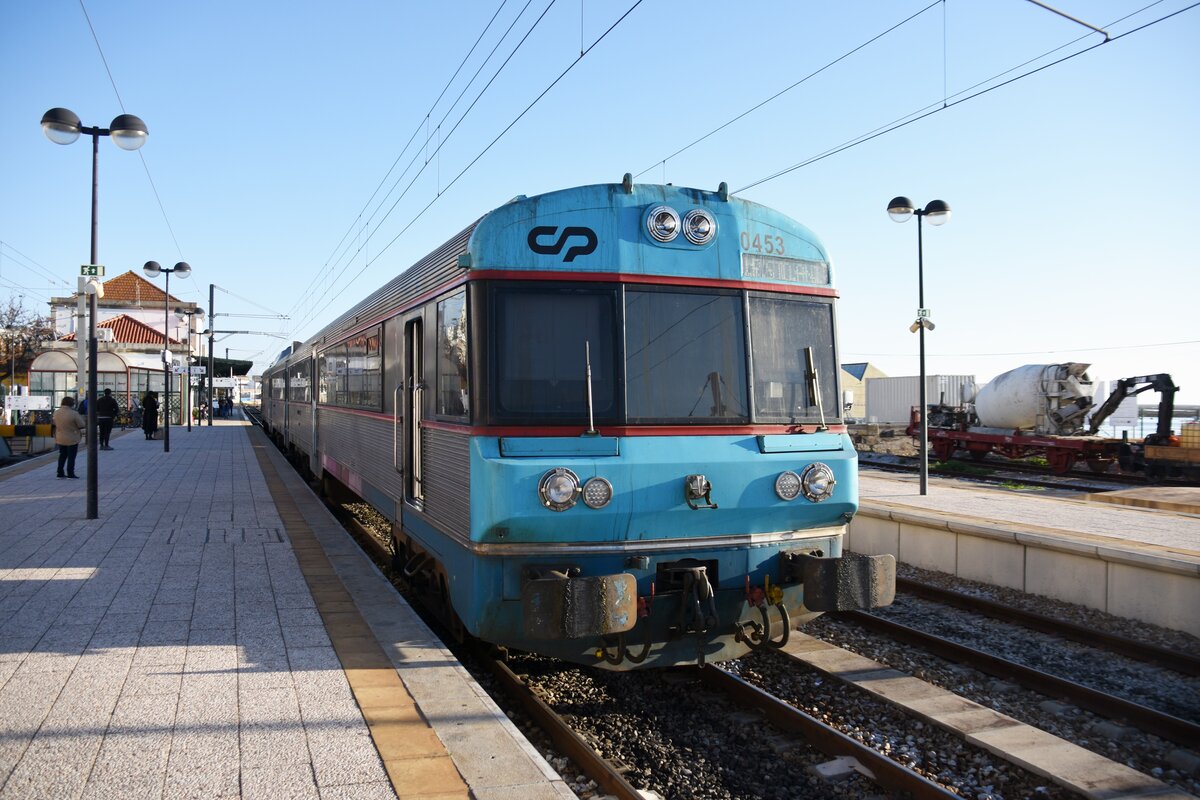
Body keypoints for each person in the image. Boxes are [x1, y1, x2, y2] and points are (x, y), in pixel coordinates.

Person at [52, 396, 86, 479]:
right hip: (72, 438)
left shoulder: (56, 412)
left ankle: (60, 473)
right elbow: (81, 425)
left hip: (60, 437)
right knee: (71, 456)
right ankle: (70, 473)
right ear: (72, 404)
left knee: (62, 455)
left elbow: (54, 423)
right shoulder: (74, 413)